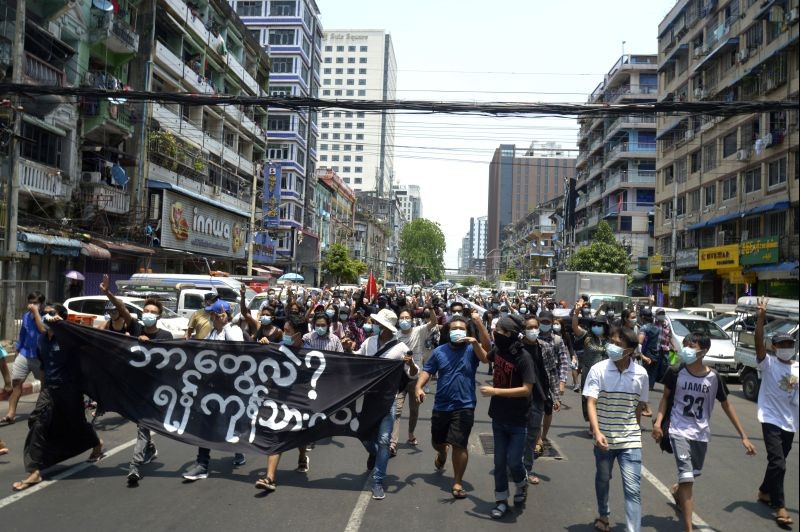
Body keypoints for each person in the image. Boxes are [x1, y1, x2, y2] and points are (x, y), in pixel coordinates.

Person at [652, 333, 756, 532]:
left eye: (692, 346)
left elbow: (727, 405)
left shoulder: (714, 378)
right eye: (686, 345)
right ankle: (689, 528)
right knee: (688, 477)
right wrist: (658, 423)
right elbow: (665, 398)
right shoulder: (675, 372)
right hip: (678, 429)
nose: (687, 349)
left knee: (691, 475)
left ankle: (676, 490)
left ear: (704, 350)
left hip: (700, 434)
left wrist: (744, 436)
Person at [12, 303, 104, 491]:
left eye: (51, 314)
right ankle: (34, 471)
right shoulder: (42, 340)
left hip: (70, 389)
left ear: (62, 317)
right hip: (49, 390)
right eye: (45, 314)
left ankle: (95, 442)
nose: (47, 317)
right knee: (37, 422)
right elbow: (44, 366)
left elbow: (88, 342)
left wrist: (64, 326)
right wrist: (43, 389)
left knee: (75, 422)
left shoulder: (69, 338)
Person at [415, 311, 489, 500]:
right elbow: (427, 371)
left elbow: (486, 357)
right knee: (437, 441)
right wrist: (418, 387)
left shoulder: (473, 349)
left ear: (467, 331)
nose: (457, 331)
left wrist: (477, 334)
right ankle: (441, 454)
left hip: (465, 405)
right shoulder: (440, 351)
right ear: (448, 331)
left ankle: (457, 481)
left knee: (459, 444)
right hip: (441, 405)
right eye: (454, 328)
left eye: (461, 328)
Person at [344, 309, 417, 500]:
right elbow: (357, 358)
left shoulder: (400, 348)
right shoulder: (369, 342)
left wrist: (410, 364)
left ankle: (377, 481)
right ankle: (375, 454)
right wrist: (347, 348)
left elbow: (413, 373)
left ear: (387, 327)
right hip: (368, 398)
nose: (376, 326)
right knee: (363, 434)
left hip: (387, 400)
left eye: (379, 324)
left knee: (384, 440)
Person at [583, 328, 649, 532]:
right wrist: (597, 431)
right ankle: (603, 515)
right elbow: (591, 402)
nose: (611, 346)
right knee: (603, 478)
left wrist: (636, 431)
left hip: (630, 440)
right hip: (604, 440)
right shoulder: (598, 370)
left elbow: (639, 407)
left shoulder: (641, 374)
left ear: (629, 351)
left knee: (633, 489)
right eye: (610, 341)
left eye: (617, 344)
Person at [182, 300, 246, 481]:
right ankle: (202, 464)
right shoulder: (212, 333)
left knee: (233, 422)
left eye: (214, 313)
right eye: (211, 313)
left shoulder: (233, 330)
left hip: (231, 387)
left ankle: (239, 450)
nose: (211, 316)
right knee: (206, 422)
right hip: (212, 387)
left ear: (221, 314)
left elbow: (239, 349)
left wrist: (226, 324)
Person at [480, 313, 536, 519]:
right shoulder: (499, 350)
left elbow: (526, 389)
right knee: (499, 462)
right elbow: (485, 355)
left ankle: (522, 484)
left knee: (514, 461)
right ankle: (501, 500)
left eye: (501, 331)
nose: (497, 333)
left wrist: (495, 391)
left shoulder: (524, 357)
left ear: (512, 334)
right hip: (498, 417)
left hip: (519, 419)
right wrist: (476, 332)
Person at [753, 297, 798, 527]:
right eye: (782, 345)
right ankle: (780, 507)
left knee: (776, 463)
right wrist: (761, 317)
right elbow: (758, 342)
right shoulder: (768, 363)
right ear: (774, 347)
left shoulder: (798, 368)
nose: (786, 349)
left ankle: (764, 491)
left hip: (790, 423)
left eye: (790, 345)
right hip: (770, 418)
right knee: (779, 463)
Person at [256, 314, 313, 492]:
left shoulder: (311, 353)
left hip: (302, 399)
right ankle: (270, 477)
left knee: (300, 433)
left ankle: (302, 455)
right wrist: (265, 347)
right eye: (284, 331)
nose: (284, 334)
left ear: (298, 334)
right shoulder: (279, 348)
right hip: (281, 398)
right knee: (276, 432)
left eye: (288, 331)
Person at [125, 297, 172, 485]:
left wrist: (150, 345)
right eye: (146, 311)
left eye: (153, 312)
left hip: (156, 390)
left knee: (143, 427)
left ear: (159, 316)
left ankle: (134, 467)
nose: (149, 314)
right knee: (140, 424)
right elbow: (122, 311)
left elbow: (171, 361)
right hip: (136, 388)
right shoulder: (136, 330)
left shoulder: (165, 336)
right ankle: (150, 449)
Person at [390, 307, 438, 454]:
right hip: (400, 378)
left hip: (416, 378)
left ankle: (411, 435)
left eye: (407, 318)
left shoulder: (419, 331)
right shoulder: (395, 335)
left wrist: (430, 308)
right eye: (402, 318)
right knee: (396, 411)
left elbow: (434, 322)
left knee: (414, 411)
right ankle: (393, 443)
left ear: (412, 319)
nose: (404, 321)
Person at [520, 315, 560, 485]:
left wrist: (555, 395)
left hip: (538, 397)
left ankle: (527, 469)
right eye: (529, 327)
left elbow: (551, 372)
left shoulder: (546, 347)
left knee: (531, 436)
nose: (533, 330)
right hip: (517, 398)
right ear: (523, 330)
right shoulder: (516, 348)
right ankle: (513, 466)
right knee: (517, 435)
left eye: (535, 327)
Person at [2, 291, 47, 426]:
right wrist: (17, 348)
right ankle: (11, 413)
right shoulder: (26, 316)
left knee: (45, 387)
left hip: (40, 357)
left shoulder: (46, 317)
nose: (32, 305)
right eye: (30, 302)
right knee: (17, 383)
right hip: (25, 354)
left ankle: (40, 412)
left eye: (35, 303)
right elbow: (23, 333)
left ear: (41, 304)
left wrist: (37, 313)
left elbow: (43, 330)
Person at [534, 310, 568, 454]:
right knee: (535, 411)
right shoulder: (532, 337)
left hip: (551, 380)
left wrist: (562, 382)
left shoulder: (557, 340)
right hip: (535, 379)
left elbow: (563, 362)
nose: (545, 325)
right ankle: (537, 440)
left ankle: (543, 435)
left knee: (548, 409)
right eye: (542, 322)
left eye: (548, 322)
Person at [572, 301, 610, 427]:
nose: (596, 327)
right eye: (595, 324)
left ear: (605, 326)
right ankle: (592, 425)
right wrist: (576, 313)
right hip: (588, 373)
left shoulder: (610, 340)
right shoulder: (587, 336)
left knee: (603, 399)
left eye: (600, 325)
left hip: (606, 375)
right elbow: (575, 328)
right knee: (588, 398)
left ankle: (600, 423)